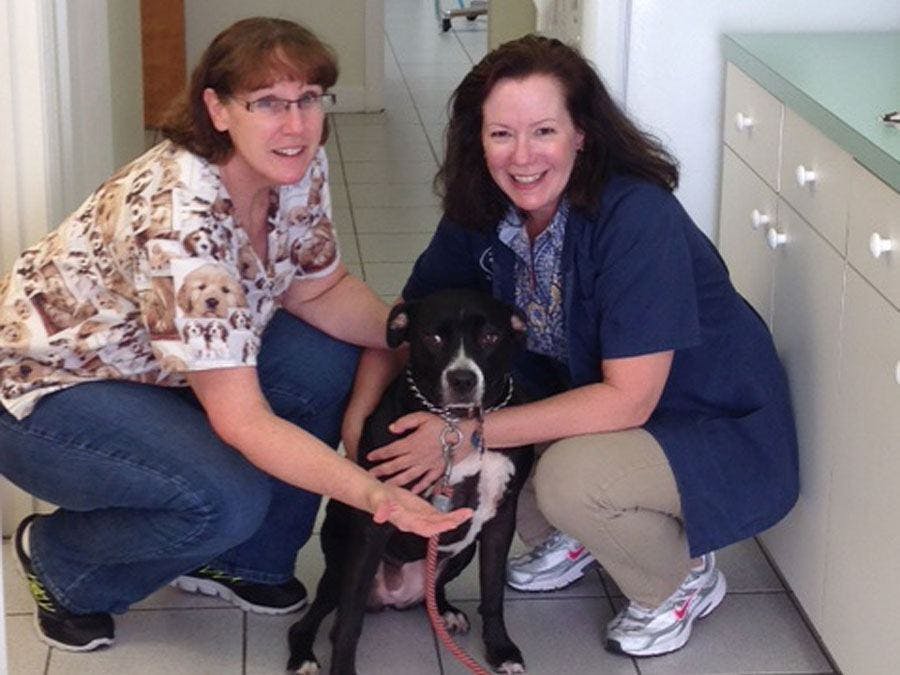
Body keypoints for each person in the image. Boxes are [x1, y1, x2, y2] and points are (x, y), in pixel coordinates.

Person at [0, 17, 471, 653]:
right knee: (225, 496)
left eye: (308, 98)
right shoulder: (181, 223)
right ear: (217, 110)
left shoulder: (293, 165)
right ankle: (62, 563)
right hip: (45, 391)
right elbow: (244, 422)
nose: (297, 123)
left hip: (157, 366)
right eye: (269, 103)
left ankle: (241, 562)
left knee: (325, 360)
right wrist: (376, 495)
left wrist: (420, 335)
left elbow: (318, 289)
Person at [341, 35, 799, 658]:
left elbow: (630, 402)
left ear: (582, 133)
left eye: (544, 132)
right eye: (502, 134)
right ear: (479, 138)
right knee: (510, 445)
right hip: (593, 403)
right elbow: (407, 317)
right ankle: (588, 534)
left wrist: (462, 435)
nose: (522, 156)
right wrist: (360, 421)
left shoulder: (637, 218)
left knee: (562, 479)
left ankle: (681, 580)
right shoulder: (483, 211)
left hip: (706, 421)